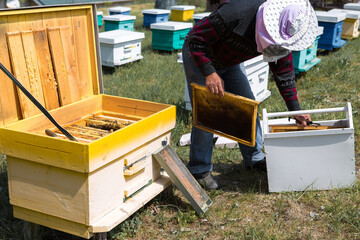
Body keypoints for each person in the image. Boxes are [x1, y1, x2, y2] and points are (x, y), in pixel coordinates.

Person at [182, 0, 318, 190]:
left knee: (248, 105)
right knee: (208, 112)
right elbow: (195, 39)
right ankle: (199, 170)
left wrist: (296, 110)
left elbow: (284, 74)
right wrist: (209, 72)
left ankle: (254, 157)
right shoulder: (236, 12)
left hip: (229, 62)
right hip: (200, 55)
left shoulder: (283, 32)